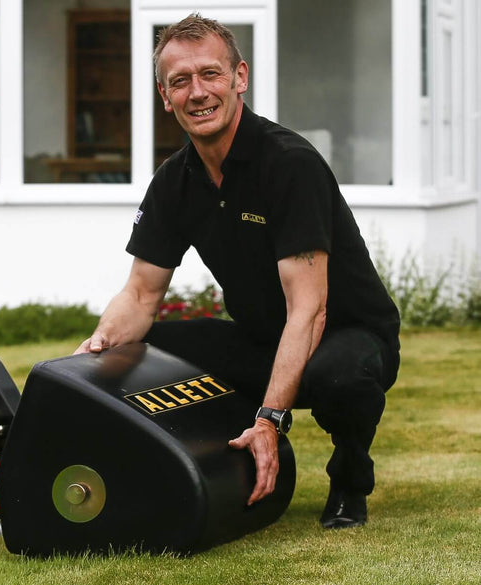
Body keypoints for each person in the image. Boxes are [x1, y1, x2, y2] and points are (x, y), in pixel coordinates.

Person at [75, 13, 400, 529]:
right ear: (165, 95)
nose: (197, 92)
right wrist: (89, 363)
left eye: (210, 74)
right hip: (263, 339)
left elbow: (309, 309)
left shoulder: (289, 164)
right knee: (140, 355)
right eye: (180, 81)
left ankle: (349, 480)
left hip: (348, 334)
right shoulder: (175, 181)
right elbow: (139, 295)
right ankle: (212, 463)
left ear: (240, 78)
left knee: (338, 375)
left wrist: (270, 418)